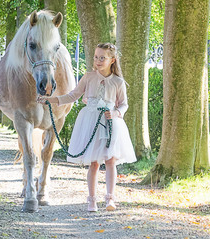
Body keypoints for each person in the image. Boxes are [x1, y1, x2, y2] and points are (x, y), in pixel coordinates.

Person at [37, 43, 137, 212]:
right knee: (94, 163)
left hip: (110, 123)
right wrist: (52, 99)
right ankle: (92, 200)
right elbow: (73, 95)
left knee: (111, 160)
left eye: (102, 58)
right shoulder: (89, 77)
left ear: (112, 60)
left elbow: (124, 104)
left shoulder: (118, 82)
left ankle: (110, 198)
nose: (98, 60)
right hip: (90, 121)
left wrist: (116, 113)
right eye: (96, 57)